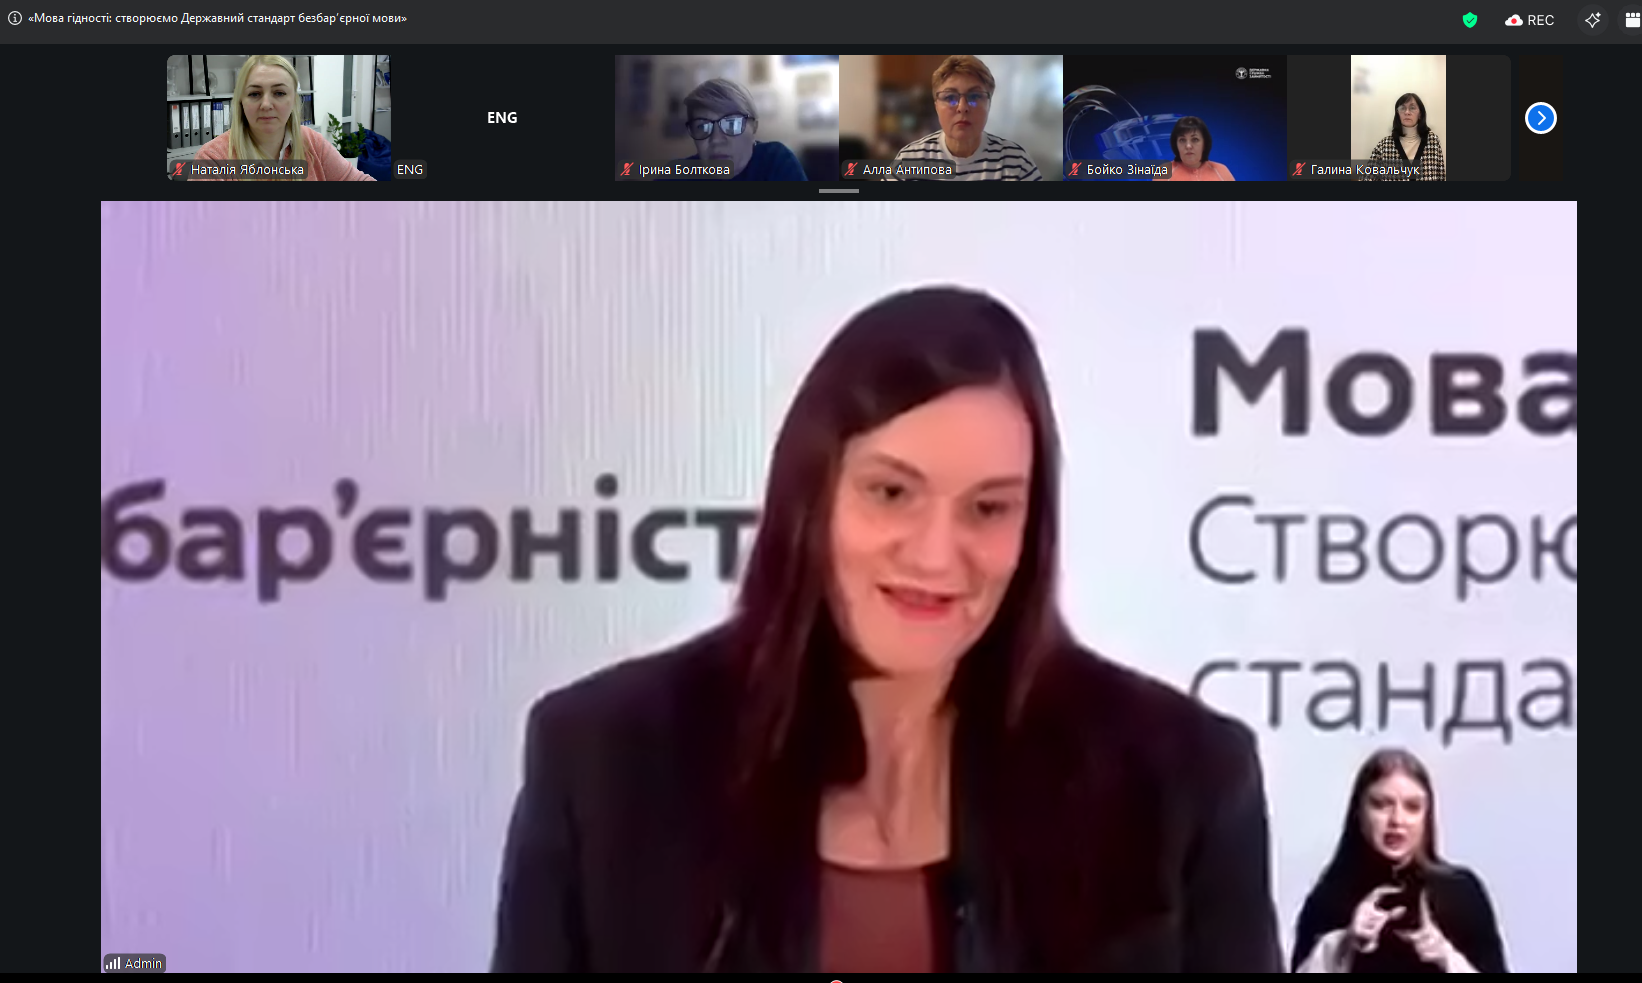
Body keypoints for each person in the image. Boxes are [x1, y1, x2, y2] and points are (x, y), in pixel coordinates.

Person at [490, 286, 1283, 973]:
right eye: (891, 492)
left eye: (988, 507)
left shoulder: (1184, 780)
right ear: (812, 495)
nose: (937, 554)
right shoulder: (606, 759)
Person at [1291, 748, 1508, 973]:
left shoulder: (1460, 893)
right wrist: (1344, 945)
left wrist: (1446, 956)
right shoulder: (1329, 898)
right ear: (1359, 812)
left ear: (1427, 816)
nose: (1397, 820)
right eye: (1381, 805)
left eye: (1412, 807)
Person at [191, 55, 375, 182]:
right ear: (241, 101)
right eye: (254, 94)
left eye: (279, 93)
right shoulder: (212, 159)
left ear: (294, 100)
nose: (266, 104)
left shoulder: (312, 142)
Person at [884, 56, 1042, 181]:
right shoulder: (910, 160)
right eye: (950, 97)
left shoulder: (1016, 162)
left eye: (975, 96)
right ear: (936, 106)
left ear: (989, 103)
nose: (962, 107)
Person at [673, 78, 807, 181]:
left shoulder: (774, 161)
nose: (716, 139)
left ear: (754, 127)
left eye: (732, 124)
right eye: (702, 126)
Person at [1364, 93, 1447, 181]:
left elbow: (1440, 176)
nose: (1407, 112)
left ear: (1420, 114)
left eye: (1412, 108)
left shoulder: (1433, 141)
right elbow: (1368, 178)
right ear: (1398, 113)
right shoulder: (1384, 145)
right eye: (1402, 108)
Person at [1154, 116, 1235, 181]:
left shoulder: (1221, 170)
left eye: (1195, 139)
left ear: (1204, 143)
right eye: (1182, 140)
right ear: (1176, 144)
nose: (1188, 146)